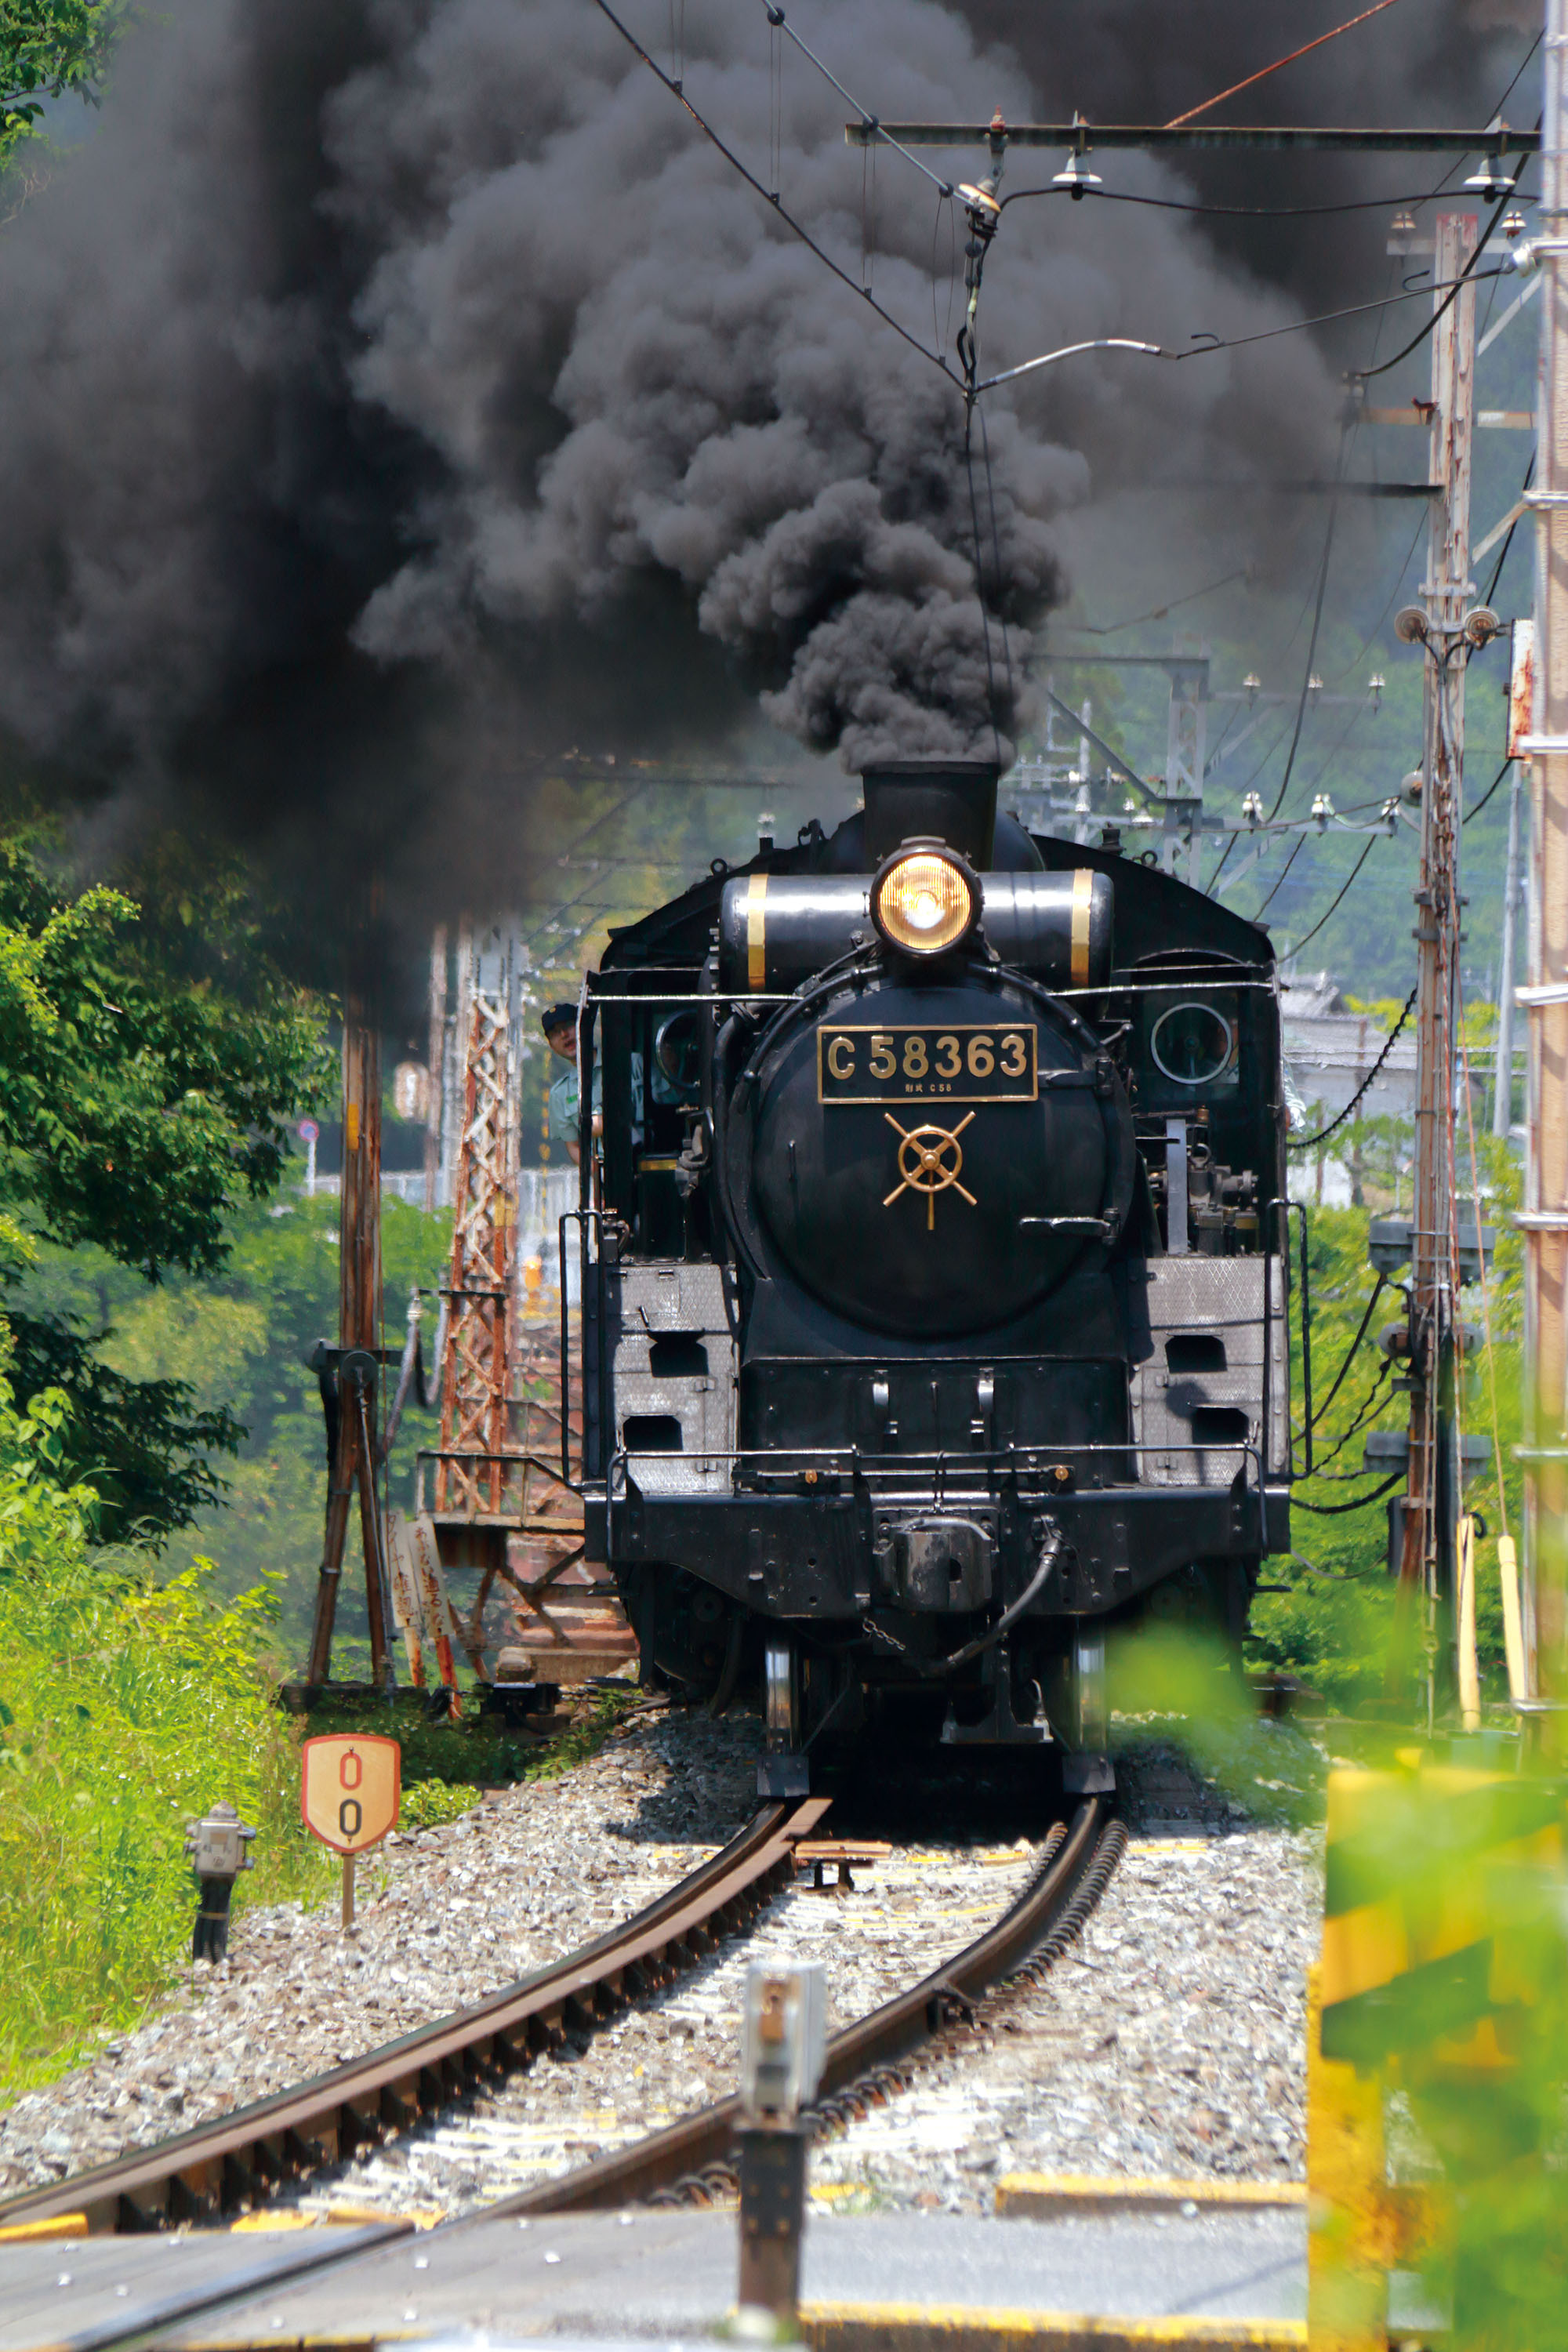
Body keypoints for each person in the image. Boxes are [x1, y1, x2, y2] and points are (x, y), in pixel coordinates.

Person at [543, 1004, 590, 1167]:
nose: (564, 1035)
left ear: (585, 1025)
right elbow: (574, 1147)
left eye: (568, 1026)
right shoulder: (559, 1094)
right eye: (555, 1033)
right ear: (551, 1046)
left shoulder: (632, 1064)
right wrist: (604, 1177)